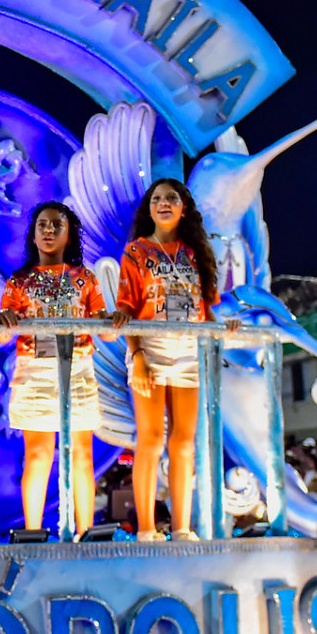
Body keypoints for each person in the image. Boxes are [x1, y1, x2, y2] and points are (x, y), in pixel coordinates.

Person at [0, 202, 111, 533]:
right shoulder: (20, 281)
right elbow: (1, 334)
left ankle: (86, 533)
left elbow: (104, 328)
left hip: (79, 370)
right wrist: (5, 320)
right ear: (33, 235)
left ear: (69, 234)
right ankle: (32, 533)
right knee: (38, 454)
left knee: (82, 454)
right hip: (34, 371)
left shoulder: (84, 278)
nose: (48, 230)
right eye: (42, 224)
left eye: (56, 225)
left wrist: (112, 319)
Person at [111, 179, 218, 542]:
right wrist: (137, 354)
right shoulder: (136, 251)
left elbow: (207, 308)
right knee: (151, 438)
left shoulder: (196, 252)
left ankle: (182, 528)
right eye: (156, 199)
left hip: (188, 350)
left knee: (184, 441)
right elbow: (126, 309)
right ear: (149, 209)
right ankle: (146, 529)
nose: (163, 203)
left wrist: (225, 326)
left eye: (171, 198)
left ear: (184, 208)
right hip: (151, 347)